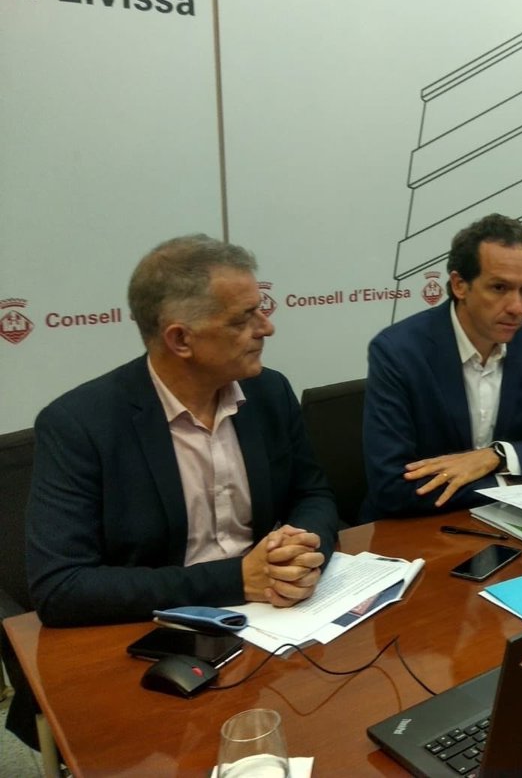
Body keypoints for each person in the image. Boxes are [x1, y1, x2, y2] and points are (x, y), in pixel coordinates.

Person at [25, 235, 340, 629]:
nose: (267, 327)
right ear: (180, 339)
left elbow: (312, 494)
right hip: (154, 628)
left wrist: (301, 554)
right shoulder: (80, 424)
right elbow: (61, 588)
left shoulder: (268, 392)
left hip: (277, 616)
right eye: (243, 318)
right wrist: (237, 579)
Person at [361, 214, 522, 518]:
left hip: (509, 523)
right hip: (418, 528)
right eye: (499, 288)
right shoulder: (399, 352)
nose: (517, 307)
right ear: (460, 285)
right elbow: (391, 486)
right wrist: (512, 485)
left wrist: (496, 456)